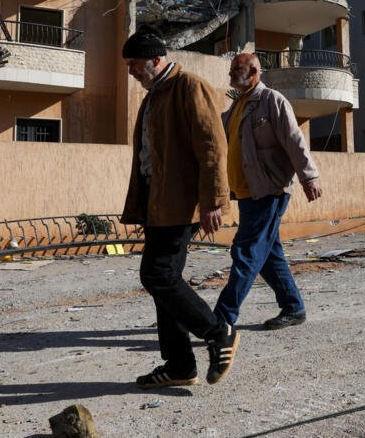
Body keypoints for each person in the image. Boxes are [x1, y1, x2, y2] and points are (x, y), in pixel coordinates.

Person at [120, 25, 240, 389]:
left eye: (136, 64)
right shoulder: (154, 95)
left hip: (182, 205)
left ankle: (219, 333)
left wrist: (214, 200)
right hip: (159, 204)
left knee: (156, 275)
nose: (132, 72)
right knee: (164, 283)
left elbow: (212, 147)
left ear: (157, 59)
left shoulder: (191, 86)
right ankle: (179, 365)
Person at [214, 52, 322, 331]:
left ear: (253, 71)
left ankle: (221, 319)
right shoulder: (237, 106)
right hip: (246, 192)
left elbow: (294, 139)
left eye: (236, 69)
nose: (230, 74)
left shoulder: (271, 100)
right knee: (268, 253)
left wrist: (309, 177)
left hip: (270, 189)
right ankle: (293, 307)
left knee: (247, 251)